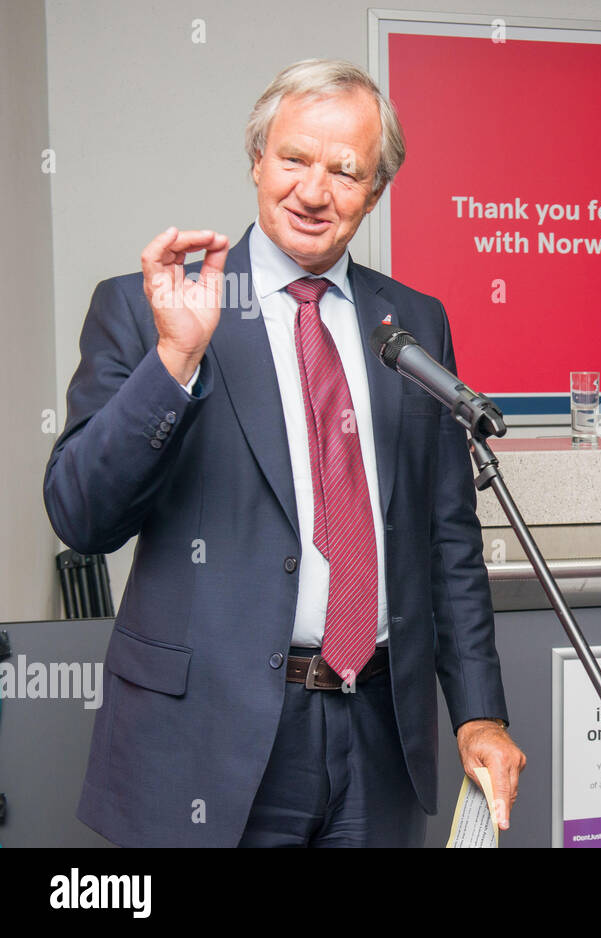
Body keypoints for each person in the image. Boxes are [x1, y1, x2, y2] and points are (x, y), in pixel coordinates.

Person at [43, 59, 525, 847]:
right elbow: (80, 515)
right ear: (257, 159)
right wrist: (174, 363)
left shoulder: (413, 323)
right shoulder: (148, 308)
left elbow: (448, 539)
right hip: (209, 738)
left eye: (345, 171)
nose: (313, 190)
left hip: (377, 735)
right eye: (294, 158)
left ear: (374, 192)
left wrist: (478, 712)